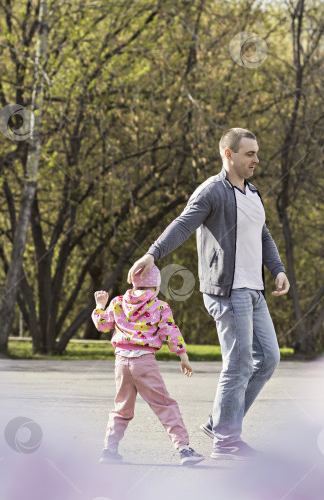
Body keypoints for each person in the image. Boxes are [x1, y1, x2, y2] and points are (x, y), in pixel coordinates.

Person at [127, 127, 290, 460]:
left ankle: (221, 423)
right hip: (228, 291)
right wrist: (152, 253)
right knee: (239, 362)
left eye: (257, 153)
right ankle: (226, 440)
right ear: (228, 154)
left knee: (268, 359)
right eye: (250, 154)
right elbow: (184, 224)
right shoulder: (212, 192)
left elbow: (263, 236)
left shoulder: (253, 193)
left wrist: (278, 269)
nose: (256, 159)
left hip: (254, 290)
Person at [92, 264, 204, 466]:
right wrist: (182, 355)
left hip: (121, 362)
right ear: (155, 287)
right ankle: (184, 450)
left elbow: (102, 325)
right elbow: (169, 331)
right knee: (164, 405)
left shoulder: (117, 302)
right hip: (144, 361)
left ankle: (109, 451)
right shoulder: (159, 306)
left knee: (121, 408)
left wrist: (100, 305)